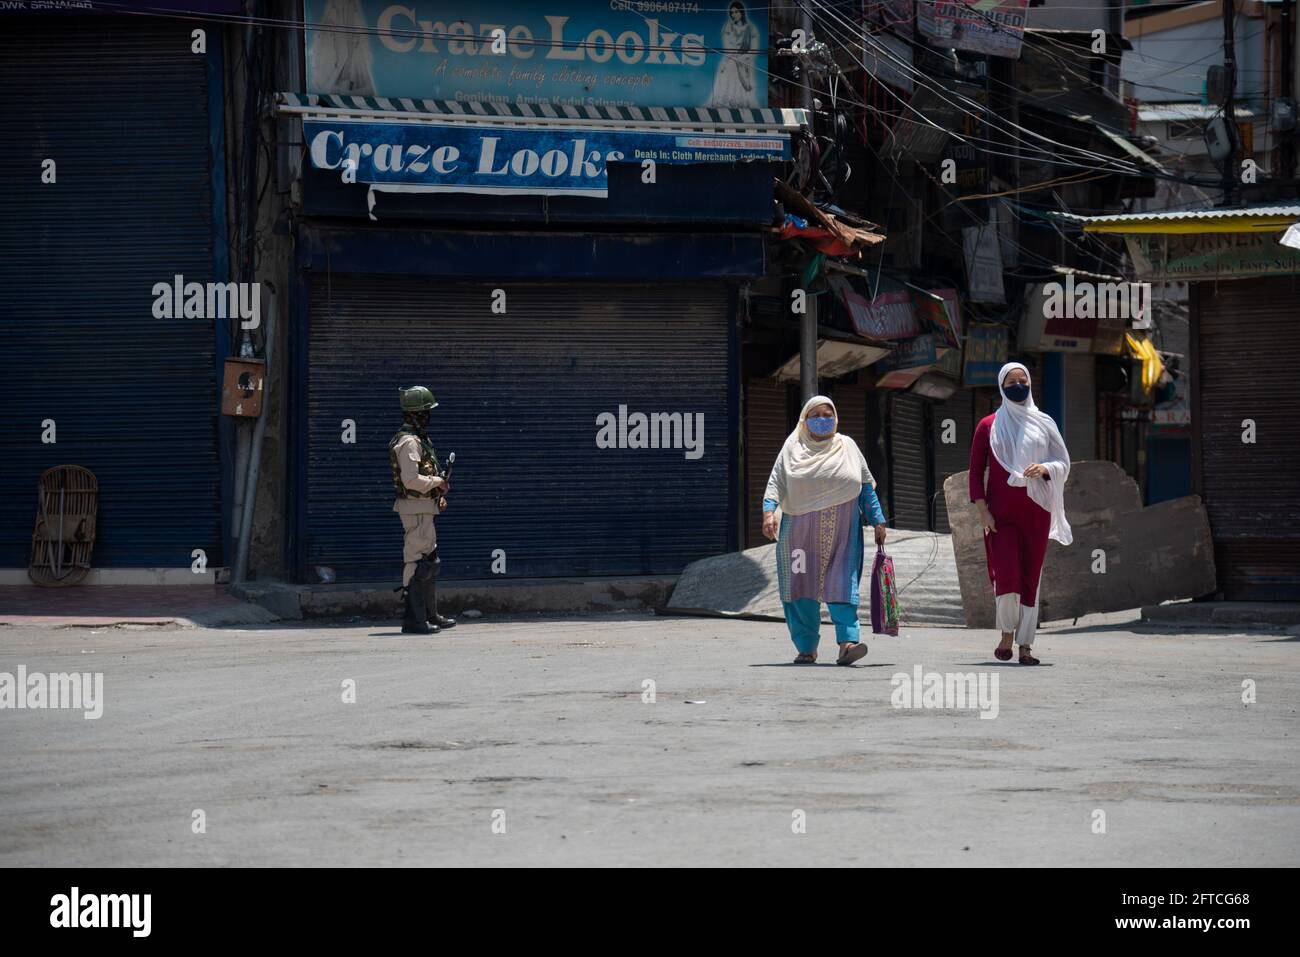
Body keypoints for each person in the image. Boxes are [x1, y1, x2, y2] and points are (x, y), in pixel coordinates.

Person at [762, 395, 887, 665]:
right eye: (816, 415)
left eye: (828, 415)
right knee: (800, 587)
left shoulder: (848, 447)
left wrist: (878, 520)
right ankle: (806, 647)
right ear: (805, 421)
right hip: (798, 533)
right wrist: (768, 513)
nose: (823, 420)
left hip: (842, 533)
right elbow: (776, 483)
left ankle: (848, 643)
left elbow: (865, 487)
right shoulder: (792, 449)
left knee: (842, 584)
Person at [968, 362, 1072, 665]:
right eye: (1011, 381)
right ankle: (1006, 633)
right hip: (1001, 516)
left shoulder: (1044, 423)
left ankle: (1026, 644)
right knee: (1007, 574)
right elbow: (976, 473)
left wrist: (1045, 468)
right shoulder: (988, 425)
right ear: (1001, 386)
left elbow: (1063, 463)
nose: (1018, 385)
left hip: (1037, 512)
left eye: (1022, 380)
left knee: (1031, 577)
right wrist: (982, 511)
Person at [390, 386, 456, 635]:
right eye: (425, 412)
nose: (429, 417)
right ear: (416, 414)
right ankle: (414, 619)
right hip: (414, 509)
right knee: (417, 562)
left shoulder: (419, 440)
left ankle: (429, 615)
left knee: (429, 561)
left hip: (423, 507)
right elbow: (411, 481)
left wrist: (436, 495)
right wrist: (438, 483)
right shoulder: (408, 443)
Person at [709, 2, 761, 109]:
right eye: (731, 13)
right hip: (730, 59)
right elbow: (727, 47)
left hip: (745, 60)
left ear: (742, 12)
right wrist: (734, 58)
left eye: (736, 12)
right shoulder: (727, 27)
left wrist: (741, 58)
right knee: (729, 67)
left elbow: (754, 50)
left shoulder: (751, 28)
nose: (734, 15)